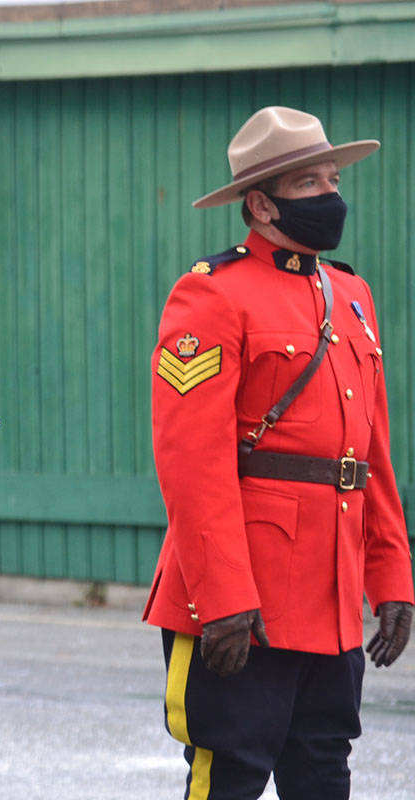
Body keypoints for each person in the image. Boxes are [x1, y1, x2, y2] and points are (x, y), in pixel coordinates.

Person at [145, 106, 415, 799]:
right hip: (248, 599)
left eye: (332, 178)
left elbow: (368, 455)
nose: (330, 195)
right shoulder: (210, 294)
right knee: (229, 774)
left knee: (324, 773)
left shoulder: (350, 297)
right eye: (308, 184)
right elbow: (192, 462)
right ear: (260, 204)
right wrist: (223, 596)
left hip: (330, 597)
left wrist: (391, 578)